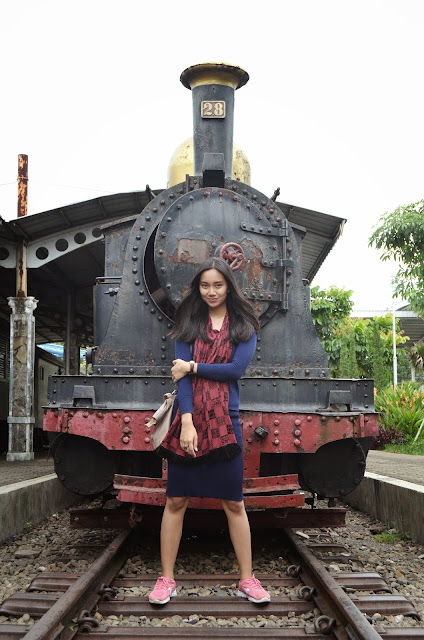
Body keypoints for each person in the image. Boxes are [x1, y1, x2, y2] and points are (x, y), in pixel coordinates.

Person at [148, 257, 271, 606]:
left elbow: (235, 370)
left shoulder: (244, 325)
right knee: (176, 500)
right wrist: (186, 422)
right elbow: (182, 380)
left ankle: (247, 579)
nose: (211, 291)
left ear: (229, 286)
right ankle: (166, 579)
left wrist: (193, 365)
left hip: (225, 419)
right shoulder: (188, 323)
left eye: (218, 285)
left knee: (234, 502)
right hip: (189, 419)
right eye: (205, 285)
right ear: (197, 288)